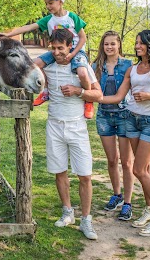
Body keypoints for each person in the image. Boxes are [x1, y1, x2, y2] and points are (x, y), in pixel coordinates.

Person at [99, 29, 150, 236]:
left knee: (139, 170)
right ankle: (149, 210)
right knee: (146, 170)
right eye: (136, 43)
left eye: (141, 43)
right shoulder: (133, 69)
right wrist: (85, 95)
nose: (137, 46)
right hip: (131, 120)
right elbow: (117, 97)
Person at [39, 28, 103, 240]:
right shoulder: (47, 67)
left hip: (77, 126)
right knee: (59, 171)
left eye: (61, 48)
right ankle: (68, 212)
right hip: (54, 125)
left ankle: (86, 220)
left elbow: (99, 95)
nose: (57, 52)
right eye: (54, 48)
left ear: (70, 47)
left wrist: (79, 92)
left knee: (85, 174)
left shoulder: (81, 67)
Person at [3, 0, 94, 119]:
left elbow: (83, 37)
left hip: (76, 51)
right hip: (56, 50)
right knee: (34, 65)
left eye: (50, 3)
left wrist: (73, 54)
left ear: (60, 1)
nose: (48, 6)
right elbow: (29, 27)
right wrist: (8, 34)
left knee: (82, 72)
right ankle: (46, 92)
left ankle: (88, 99)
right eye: (46, 3)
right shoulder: (49, 20)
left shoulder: (72, 17)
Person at [92, 31, 135, 221]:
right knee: (111, 160)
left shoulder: (127, 65)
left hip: (124, 115)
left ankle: (127, 203)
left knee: (126, 162)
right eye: (106, 44)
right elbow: (89, 86)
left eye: (113, 44)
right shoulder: (96, 66)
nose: (109, 47)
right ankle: (116, 194)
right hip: (104, 116)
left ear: (119, 45)